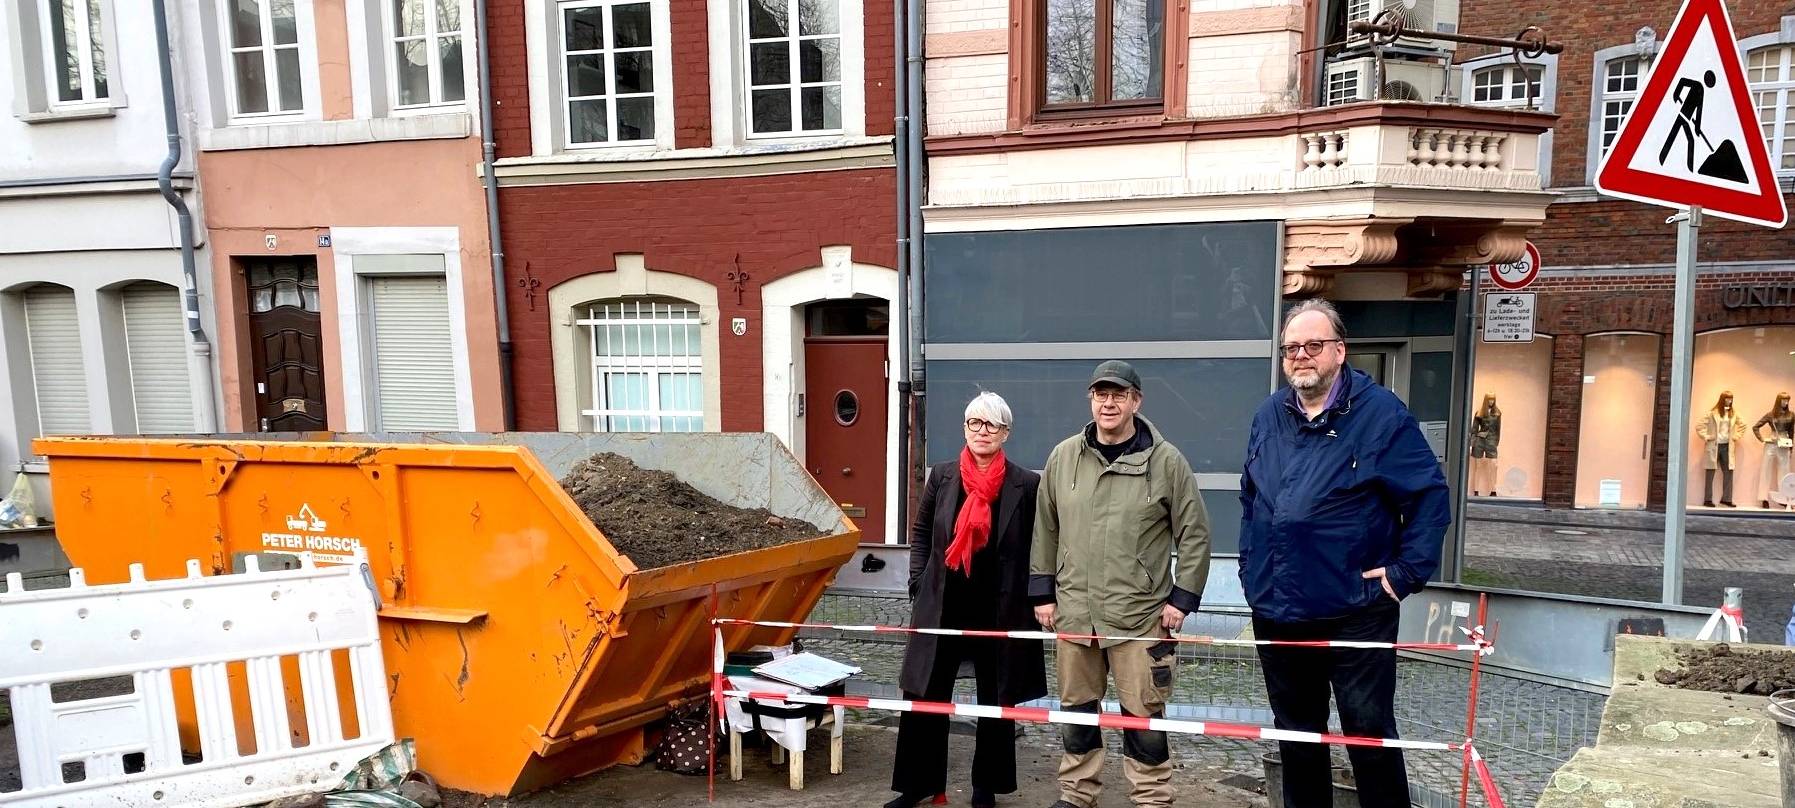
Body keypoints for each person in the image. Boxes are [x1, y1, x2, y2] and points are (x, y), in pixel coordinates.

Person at [1238, 299, 1450, 808]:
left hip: (1355, 609)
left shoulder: (1382, 416)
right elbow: (1253, 499)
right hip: (1279, 607)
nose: (1301, 357)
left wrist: (1402, 575)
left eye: (1313, 345)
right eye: (1292, 348)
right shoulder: (1271, 414)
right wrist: (1250, 568)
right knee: (1297, 737)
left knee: (1368, 735)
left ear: (1339, 350)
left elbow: (1428, 498)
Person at [1030, 360, 1212, 808]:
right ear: (1090, 400)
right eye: (1100, 394)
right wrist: (1043, 594)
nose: (1108, 403)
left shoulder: (1167, 462)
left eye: (1118, 395)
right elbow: (1045, 528)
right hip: (1076, 612)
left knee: (1144, 714)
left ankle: (1151, 798)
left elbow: (1194, 533)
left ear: (1136, 401)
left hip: (1140, 616)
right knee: (1077, 712)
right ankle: (1077, 794)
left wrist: (1181, 600)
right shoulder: (1063, 457)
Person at [889, 392, 1047, 808]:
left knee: (996, 697)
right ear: (964, 428)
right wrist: (918, 582)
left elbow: (1039, 544)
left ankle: (986, 786)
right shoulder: (941, 477)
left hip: (999, 606)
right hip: (943, 602)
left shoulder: (1026, 484)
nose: (982, 431)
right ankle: (918, 783)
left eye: (991, 424)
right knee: (924, 693)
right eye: (974, 423)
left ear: (1005, 433)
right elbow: (922, 533)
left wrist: (1037, 594)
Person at [1697, 390, 1746, 507]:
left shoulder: (1734, 414)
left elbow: (1743, 425)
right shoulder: (1712, 413)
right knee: (1710, 472)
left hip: (1727, 446)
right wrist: (1707, 436)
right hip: (1715, 445)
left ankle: (1727, 499)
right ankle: (1707, 499)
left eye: (1731, 399)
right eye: (1727, 398)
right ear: (1722, 399)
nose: (1729, 401)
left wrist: (1736, 436)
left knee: (1729, 472)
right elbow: (1699, 426)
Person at [1752, 392, 1792, 509]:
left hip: (1784, 443)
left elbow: (1791, 432)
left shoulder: (1791, 415)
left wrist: (1791, 448)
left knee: (1784, 472)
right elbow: (1756, 427)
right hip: (1772, 442)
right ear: (1778, 401)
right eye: (1783, 400)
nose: (1786, 402)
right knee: (1765, 470)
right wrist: (1762, 439)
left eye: (1787, 400)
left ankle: (1785, 499)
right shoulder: (1770, 415)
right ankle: (1763, 498)